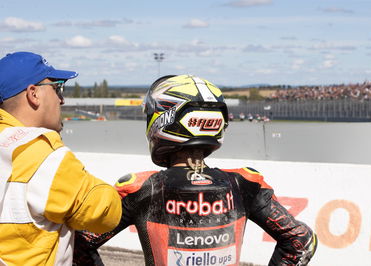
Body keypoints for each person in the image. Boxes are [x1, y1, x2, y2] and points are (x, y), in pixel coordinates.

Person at [74, 75, 317, 265]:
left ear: (163, 119)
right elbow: (301, 240)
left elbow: (79, 245)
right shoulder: (245, 183)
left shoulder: (139, 188)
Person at [0, 52, 122, 265]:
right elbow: (105, 215)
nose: (62, 100)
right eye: (57, 88)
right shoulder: (41, 153)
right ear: (33, 94)